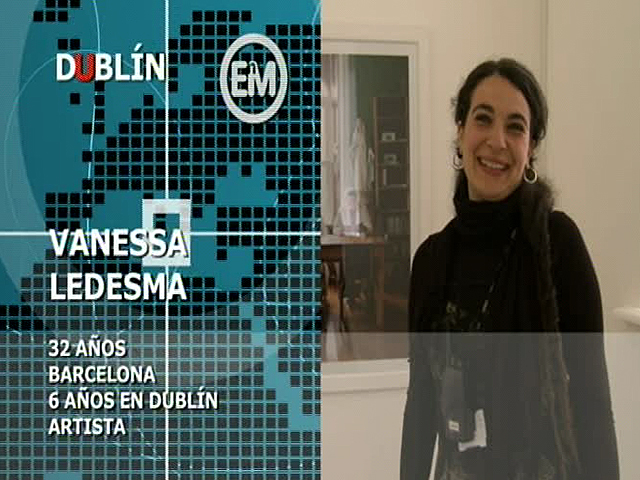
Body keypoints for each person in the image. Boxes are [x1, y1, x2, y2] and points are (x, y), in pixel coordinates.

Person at [400, 58, 619, 479]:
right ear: (460, 130)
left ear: (530, 147)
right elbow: (421, 407)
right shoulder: (430, 260)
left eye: (515, 127)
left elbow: (593, 403)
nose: (497, 141)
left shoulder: (557, 244)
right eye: (483, 119)